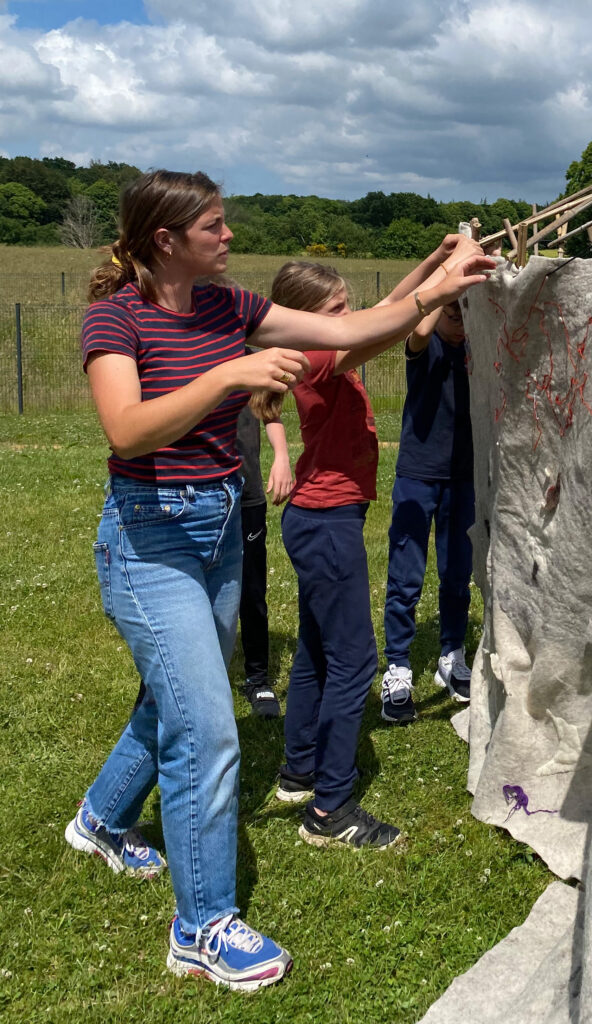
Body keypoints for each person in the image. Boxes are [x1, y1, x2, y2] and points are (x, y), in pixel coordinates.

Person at [64, 168, 492, 990]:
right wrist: (229, 377)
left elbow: (358, 327)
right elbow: (126, 428)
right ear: (167, 239)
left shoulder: (234, 307)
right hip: (149, 538)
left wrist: (439, 282)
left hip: (218, 532)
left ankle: (103, 820)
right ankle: (202, 928)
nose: (229, 237)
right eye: (215, 227)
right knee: (208, 729)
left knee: (171, 702)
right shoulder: (114, 319)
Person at [262, 244, 481, 847]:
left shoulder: (319, 348)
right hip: (327, 523)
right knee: (356, 662)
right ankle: (331, 809)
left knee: (315, 652)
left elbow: (386, 308)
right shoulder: (315, 356)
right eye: (337, 308)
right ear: (306, 315)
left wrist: (438, 257)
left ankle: (298, 769)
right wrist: (436, 290)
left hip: (320, 519)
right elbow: (392, 323)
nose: (350, 314)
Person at [378, 295, 475, 724]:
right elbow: (419, 330)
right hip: (418, 474)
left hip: (464, 476)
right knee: (406, 575)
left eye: (465, 314)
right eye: (451, 313)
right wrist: (444, 289)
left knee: (458, 573)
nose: (459, 323)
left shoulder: (479, 352)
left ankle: (452, 653)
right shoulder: (424, 345)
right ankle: (398, 665)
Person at [235, 403, 293, 717]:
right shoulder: (188, 355)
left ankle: (258, 678)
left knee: (253, 591)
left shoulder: (247, 356)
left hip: (248, 495)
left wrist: (281, 457)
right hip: (200, 495)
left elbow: (269, 411)